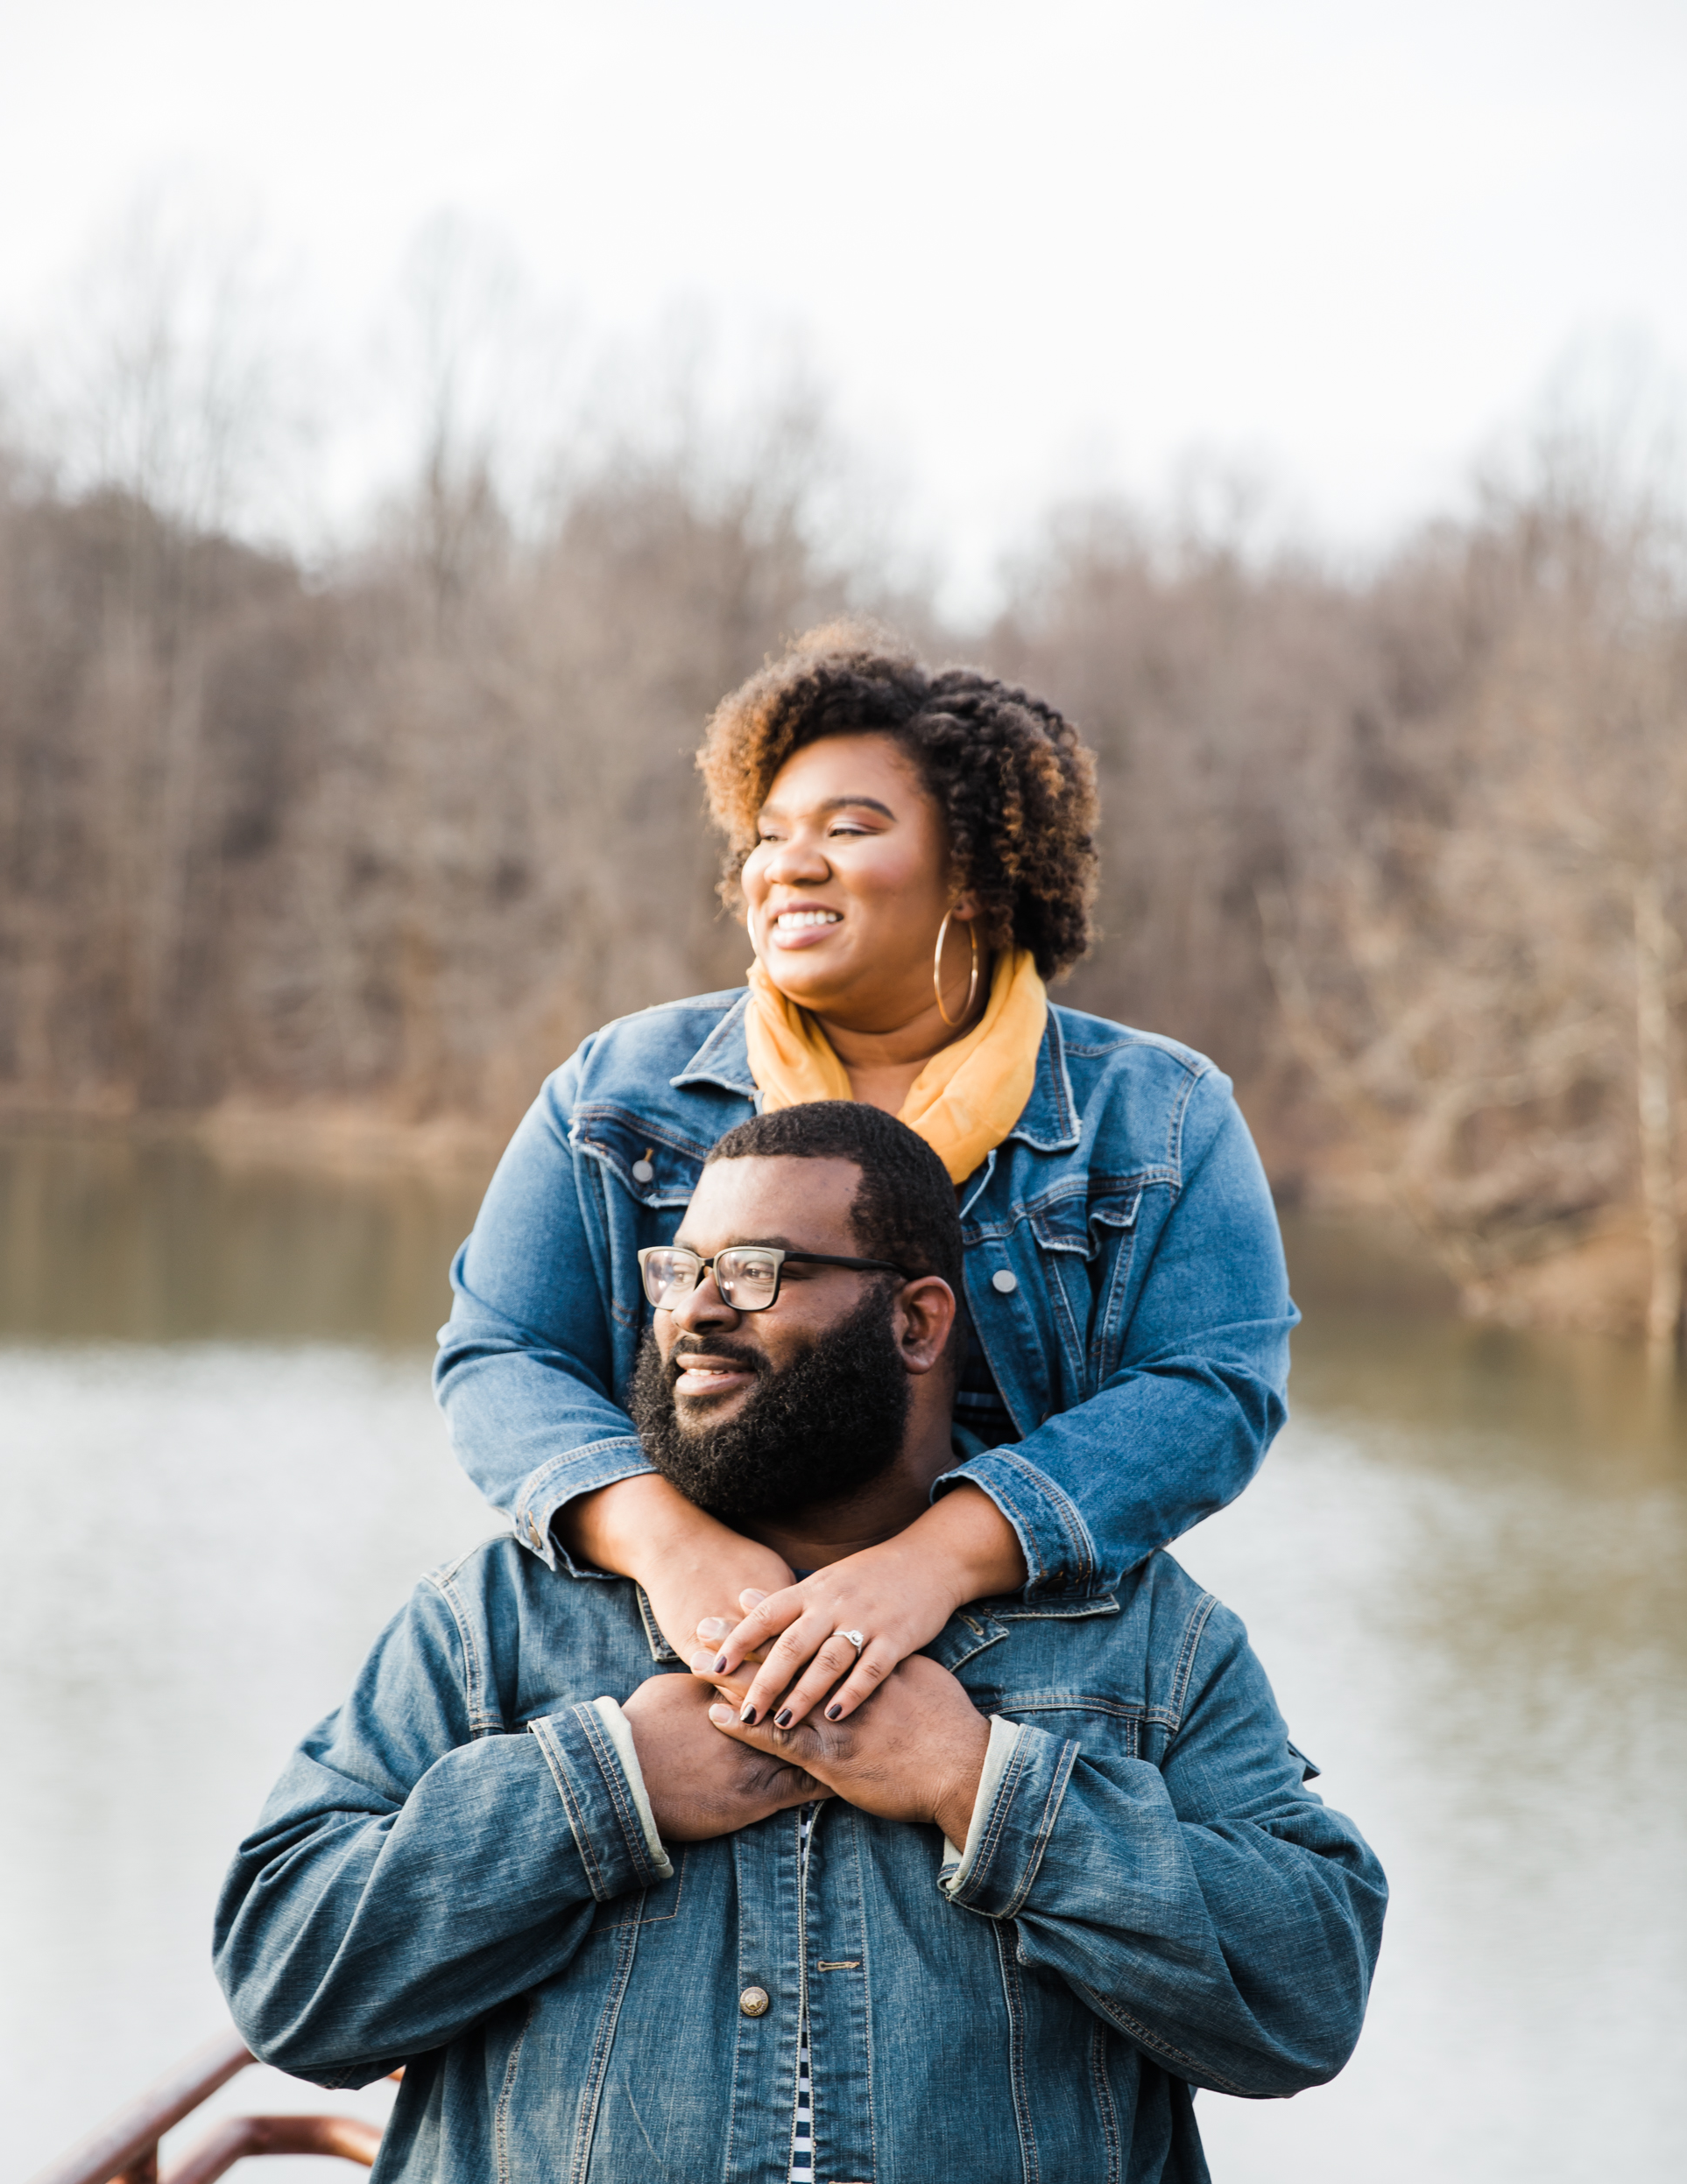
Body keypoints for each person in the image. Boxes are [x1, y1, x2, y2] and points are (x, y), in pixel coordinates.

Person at [216, 1103, 1386, 2184]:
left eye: (758, 1266)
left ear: (917, 1320)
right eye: (678, 1265)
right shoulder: (504, 1621)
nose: (697, 1304)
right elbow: (288, 1975)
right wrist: (606, 1784)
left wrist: (986, 1786)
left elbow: (1303, 1990)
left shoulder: (1144, 1639)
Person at [433, 622, 1295, 1737]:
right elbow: (501, 1355)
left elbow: (1210, 1388)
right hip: (683, 1655)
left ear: (978, 873)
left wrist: (929, 1567)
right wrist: (670, 1546)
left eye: (850, 827)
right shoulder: (617, 1091)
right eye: (768, 833)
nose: (787, 862)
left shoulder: (1157, 1116)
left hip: (1035, 1684)